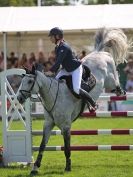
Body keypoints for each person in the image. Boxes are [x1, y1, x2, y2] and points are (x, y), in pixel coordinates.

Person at [47, 27, 96, 108]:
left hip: (75, 68)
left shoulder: (64, 47)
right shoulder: (57, 47)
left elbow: (58, 62)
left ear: (57, 36)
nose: (50, 38)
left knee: (76, 89)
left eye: (51, 36)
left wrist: (51, 71)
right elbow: (59, 63)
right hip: (66, 69)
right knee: (54, 83)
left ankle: (93, 103)